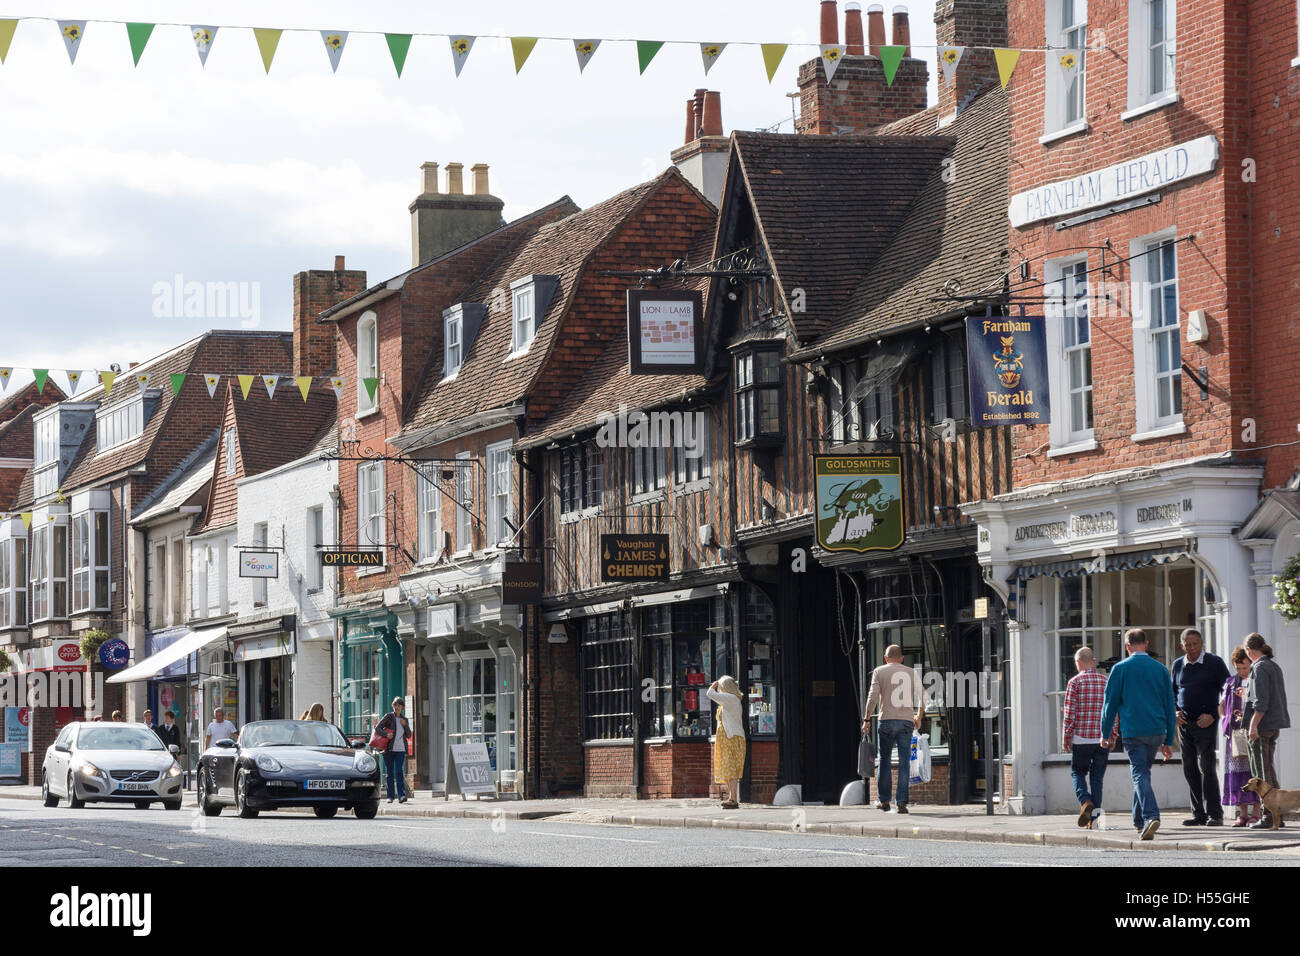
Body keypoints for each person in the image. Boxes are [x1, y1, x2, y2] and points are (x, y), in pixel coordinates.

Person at [1098, 628, 1177, 841]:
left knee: (1139, 773)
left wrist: (1105, 732)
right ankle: (1138, 820)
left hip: (1133, 730)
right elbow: (1170, 706)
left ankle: (1151, 816)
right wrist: (1169, 740)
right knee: (1143, 773)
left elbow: (1110, 703)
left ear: (1127, 646)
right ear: (1147, 643)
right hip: (1157, 730)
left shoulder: (1120, 669)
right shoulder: (1160, 669)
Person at [1171, 628, 1230, 826]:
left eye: (1195, 643)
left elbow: (1228, 691)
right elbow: (1172, 693)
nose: (1192, 647)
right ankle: (1198, 814)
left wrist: (1213, 715)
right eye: (1188, 644)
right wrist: (1175, 711)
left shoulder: (1214, 663)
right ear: (1182, 645)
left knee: (1207, 767)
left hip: (1205, 723)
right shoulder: (1178, 665)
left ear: (1202, 643)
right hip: (1184, 723)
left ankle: (1215, 813)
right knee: (1189, 768)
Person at [861, 644, 923, 814]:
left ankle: (884, 801)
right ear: (901, 658)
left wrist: (867, 719)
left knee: (885, 761)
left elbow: (872, 697)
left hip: (886, 721)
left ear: (886, 658)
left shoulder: (879, 671)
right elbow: (922, 696)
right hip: (905, 722)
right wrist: (919, 717)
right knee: (904, 762)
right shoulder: (911, 672)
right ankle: (901, 803)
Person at [1062, 647, 1118, 829]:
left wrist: (1066, 736)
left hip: (1081, 738)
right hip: (1102, 738)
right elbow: (1113, 711)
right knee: (1097, 779)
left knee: (1077, 772)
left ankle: (1085, 801)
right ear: (1093, 661)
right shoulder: (1106, 681)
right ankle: (1094, 821)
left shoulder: (1074, 682)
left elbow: (1070, 713)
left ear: (1078, 663)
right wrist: (1113, 734)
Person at [1243, 633, 1290, 829]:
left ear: (1250, 651)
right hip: (1273, 724)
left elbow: (1261, 702)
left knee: (1261, 774)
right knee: (1268, 769)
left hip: (1262, 726)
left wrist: (1253, 725)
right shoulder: (1273, 666)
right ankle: (1277, 816)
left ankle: (1269, 818)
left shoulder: (1260, 667)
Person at [1220, 647, 1261, 827]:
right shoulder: (1230, 683)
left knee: (1255, 772)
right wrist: (1224, 719)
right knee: (1238, 774)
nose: (1242, 672)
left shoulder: (1256, 680)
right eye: (1238, 668)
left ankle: (1258, 812)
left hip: (1254, 732)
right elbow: (1220, 705)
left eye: (1245, 667)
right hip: (1235, 735)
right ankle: (1242, 813)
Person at [707, 676, 746, 809]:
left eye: (721, 687)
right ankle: (731, 798)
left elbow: (709, 694)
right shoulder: (730, 699)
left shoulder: (731, 698)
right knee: (728, 769)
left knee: (731, 768)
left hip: (731, 738)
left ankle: (733, 799)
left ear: (725, 687)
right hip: (727, 738)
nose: (719, 689)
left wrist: (714, 684)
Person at [374, 698, 411, 804]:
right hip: (388, 749)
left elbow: (408, 735)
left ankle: (402, 796)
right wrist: (386, 734)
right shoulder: (389, 716)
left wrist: (405, 725)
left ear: (402, 707)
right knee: (390, 773)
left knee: (399, 772)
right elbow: (378, 728)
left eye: (399, 705)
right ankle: (390, 796)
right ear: (393, 706)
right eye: (395, 705)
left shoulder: (405, 719)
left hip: (400, 749)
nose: (397, 707)